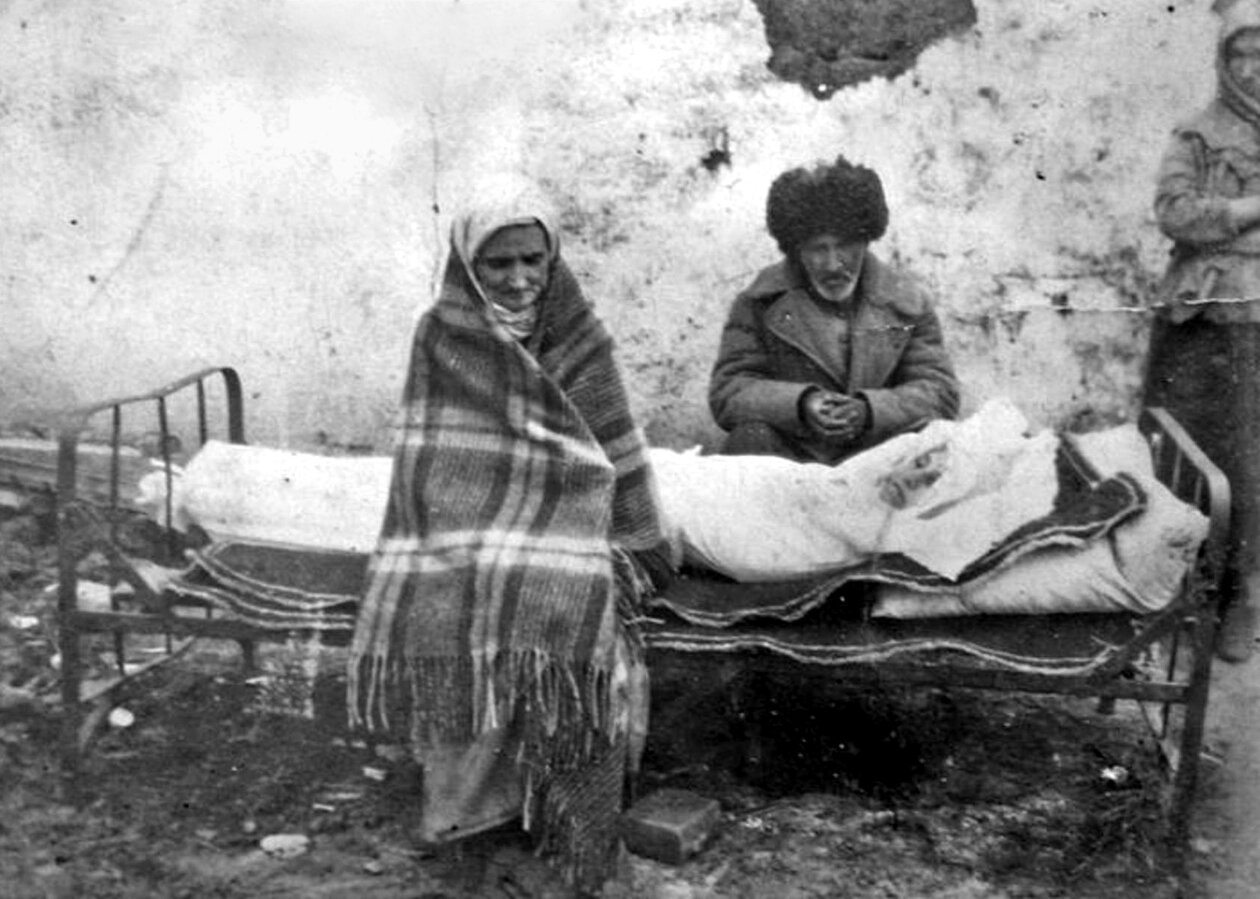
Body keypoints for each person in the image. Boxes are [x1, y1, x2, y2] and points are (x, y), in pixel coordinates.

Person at [347, 177, 670, 894]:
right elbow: (437, 460)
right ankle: (472, 820)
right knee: (475, 592)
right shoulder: (442, 333)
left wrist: (617, 521)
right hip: (470, 523)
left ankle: (565, 822)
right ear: (469, 267)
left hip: (571, 511)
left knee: (570, 599)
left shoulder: (577, 329)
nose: (521, 279)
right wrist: (491, 527)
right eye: (499, 264)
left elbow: (608, 441)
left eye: (534, 260)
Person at [708, 153, 960, 464]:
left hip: (879, 456)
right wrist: (801, 405)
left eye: (845, 246)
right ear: (796, 249)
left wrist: (870, 411)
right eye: (818, 249)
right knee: (749, 439)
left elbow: (939, 391)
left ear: (867, 240)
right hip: (794, 458)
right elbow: (729, 390)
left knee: (935, 447)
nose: (833, 264)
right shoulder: (759, 302)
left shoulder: (906, 301)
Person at [1145, 0, 1260, 663]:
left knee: (1252, 464)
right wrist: (1246, 209)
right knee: (1189, 450)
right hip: (1204, 322)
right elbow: (1173, 211)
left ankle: (1240, 592)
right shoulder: (1197, 133)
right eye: (1240, 55)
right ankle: (1185, 586)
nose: (1252, 69)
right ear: (1223, 61)